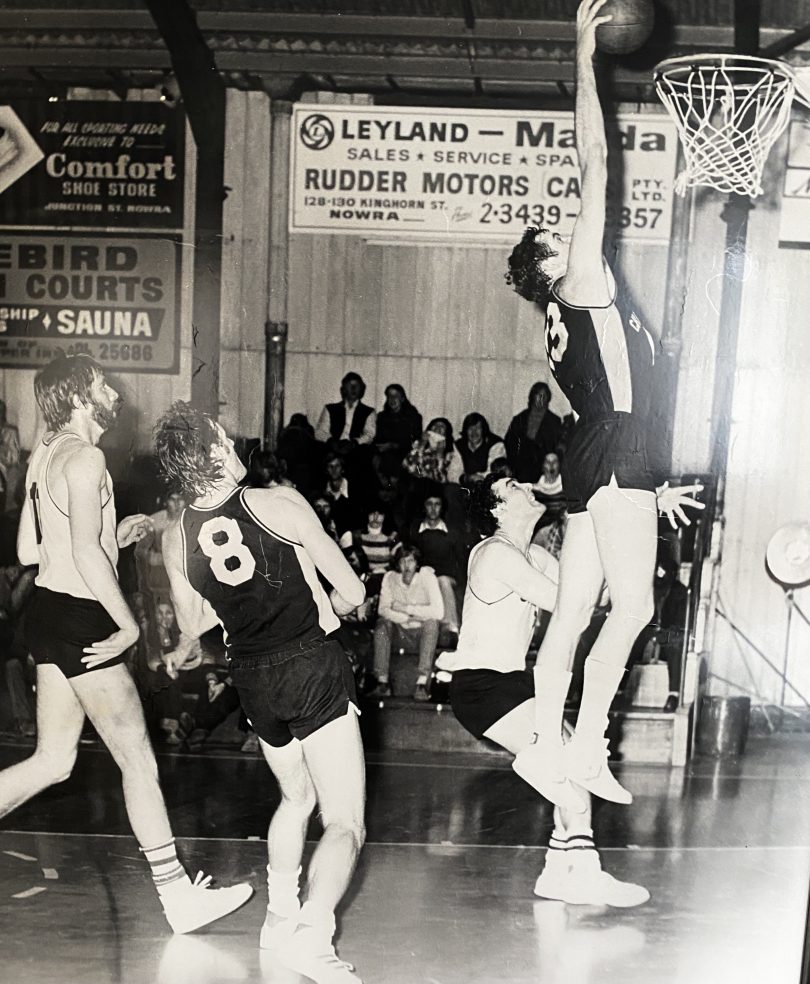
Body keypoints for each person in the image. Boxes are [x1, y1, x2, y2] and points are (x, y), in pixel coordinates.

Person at [504, 0, 703, 808]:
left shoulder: (563, 313)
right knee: (633, 609)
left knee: (579, 608)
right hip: (614, 447)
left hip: (602, 452)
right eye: (557, 231)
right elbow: (596, 160)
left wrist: (652, 482)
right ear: (551, 263)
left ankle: (543, 745)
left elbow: (620, 396)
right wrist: (583, 55)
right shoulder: (580, 280)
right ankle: (587, 748)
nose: (570, 224)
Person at [3, 354, 252, 933]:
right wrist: (129, 624)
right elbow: (84, 556)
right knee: (137, 757)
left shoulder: (45, 455)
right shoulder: (87, 457)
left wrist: (111, 534)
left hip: (49, 613)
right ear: (79, 397)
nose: (113, 392)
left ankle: (177, 894)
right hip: (84, 617)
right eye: (101, 385)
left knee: (53, 761)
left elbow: (31, 552)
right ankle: (177, 898)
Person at [155, 401, 367, 984]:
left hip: (252, 679)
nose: (236, 444)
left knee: (296, 799)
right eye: (227, 437)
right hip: (308, 665)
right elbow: (350, 592)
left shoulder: (176, 539)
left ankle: (278, 916)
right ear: (216, 452)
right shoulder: (280, 503)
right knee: (345, 821)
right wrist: (330, 604)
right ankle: (314, 935)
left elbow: (194, 624)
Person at [438, 473, 649, 906]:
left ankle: (559, 867)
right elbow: (570, 604)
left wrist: (639, 518)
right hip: (483, 686)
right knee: (571, 758)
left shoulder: (532, 553)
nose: (527, 486)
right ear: (498, 510)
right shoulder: (495, 553)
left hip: (511, 682)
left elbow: (597, 596)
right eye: (512, 486)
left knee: (573, 756)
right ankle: (582, 869)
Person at [369, 545, 443, 701]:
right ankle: (382, 683)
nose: (407, 566)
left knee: (432, 623)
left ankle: (421, 683)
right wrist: (407, 618)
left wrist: (404, 608)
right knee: (382, 624)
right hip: (399, 632)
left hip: (421, 634)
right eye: (403, 561)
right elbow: (383, 609)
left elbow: (438, 612)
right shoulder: (389, 577)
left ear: (417, 563)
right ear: (397, 564)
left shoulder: (428, 577)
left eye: (411, 561)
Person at [504, 382, 564, 484]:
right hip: (519, 469)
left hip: (542, 471)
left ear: (548, 399)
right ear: (532, 396)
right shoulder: (519, 418)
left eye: (545, 396)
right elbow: (509, 442)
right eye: (539, 395)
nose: (542, 399)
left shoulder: (554, 421)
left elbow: (555, 448)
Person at [455, 412, 506, 486]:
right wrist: (467, 478)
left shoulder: (496, 444)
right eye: (470, 428)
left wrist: (476, 477)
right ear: (465, 430)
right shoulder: (458, 445)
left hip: (489, 486)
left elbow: (495, 472)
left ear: (483, 430)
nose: (474, 432)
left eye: (478, 428)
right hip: (465, 485)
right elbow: (454, 472)